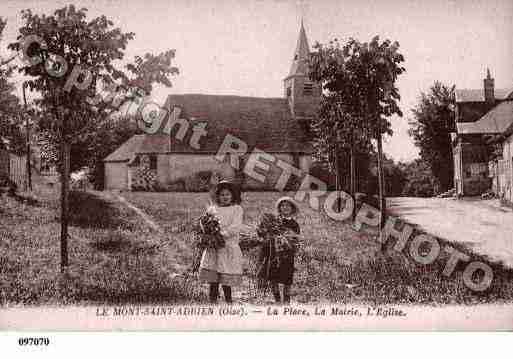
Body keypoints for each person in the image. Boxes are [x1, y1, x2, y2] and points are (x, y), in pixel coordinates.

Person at [198, 181, 244, 304]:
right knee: (213, 278)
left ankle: (229, 301)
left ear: (233, 196)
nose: (225, 197)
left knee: (225, 276)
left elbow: (235, 227)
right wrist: (207, 231)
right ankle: (212, 302)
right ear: (217, 196)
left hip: (227, 246)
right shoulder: (213, 209)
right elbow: (205, 222)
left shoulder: (236, 209)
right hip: (214, 247)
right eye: (222, 195)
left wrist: (220, 234)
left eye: (228, 195)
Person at [257, 196, 300, 304]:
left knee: (287, 279)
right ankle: (277, 300)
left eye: (288, 206)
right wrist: (263, 233)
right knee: (273, 277)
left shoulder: (294, 224)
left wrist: (288, 240)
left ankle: (286, 300)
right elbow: (265, 233)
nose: (285, 207)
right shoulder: (274, 221)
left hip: (287, 255)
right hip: (274, 254)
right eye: (283, 205)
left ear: (292, 209)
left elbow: (296, 239)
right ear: (279, 208)